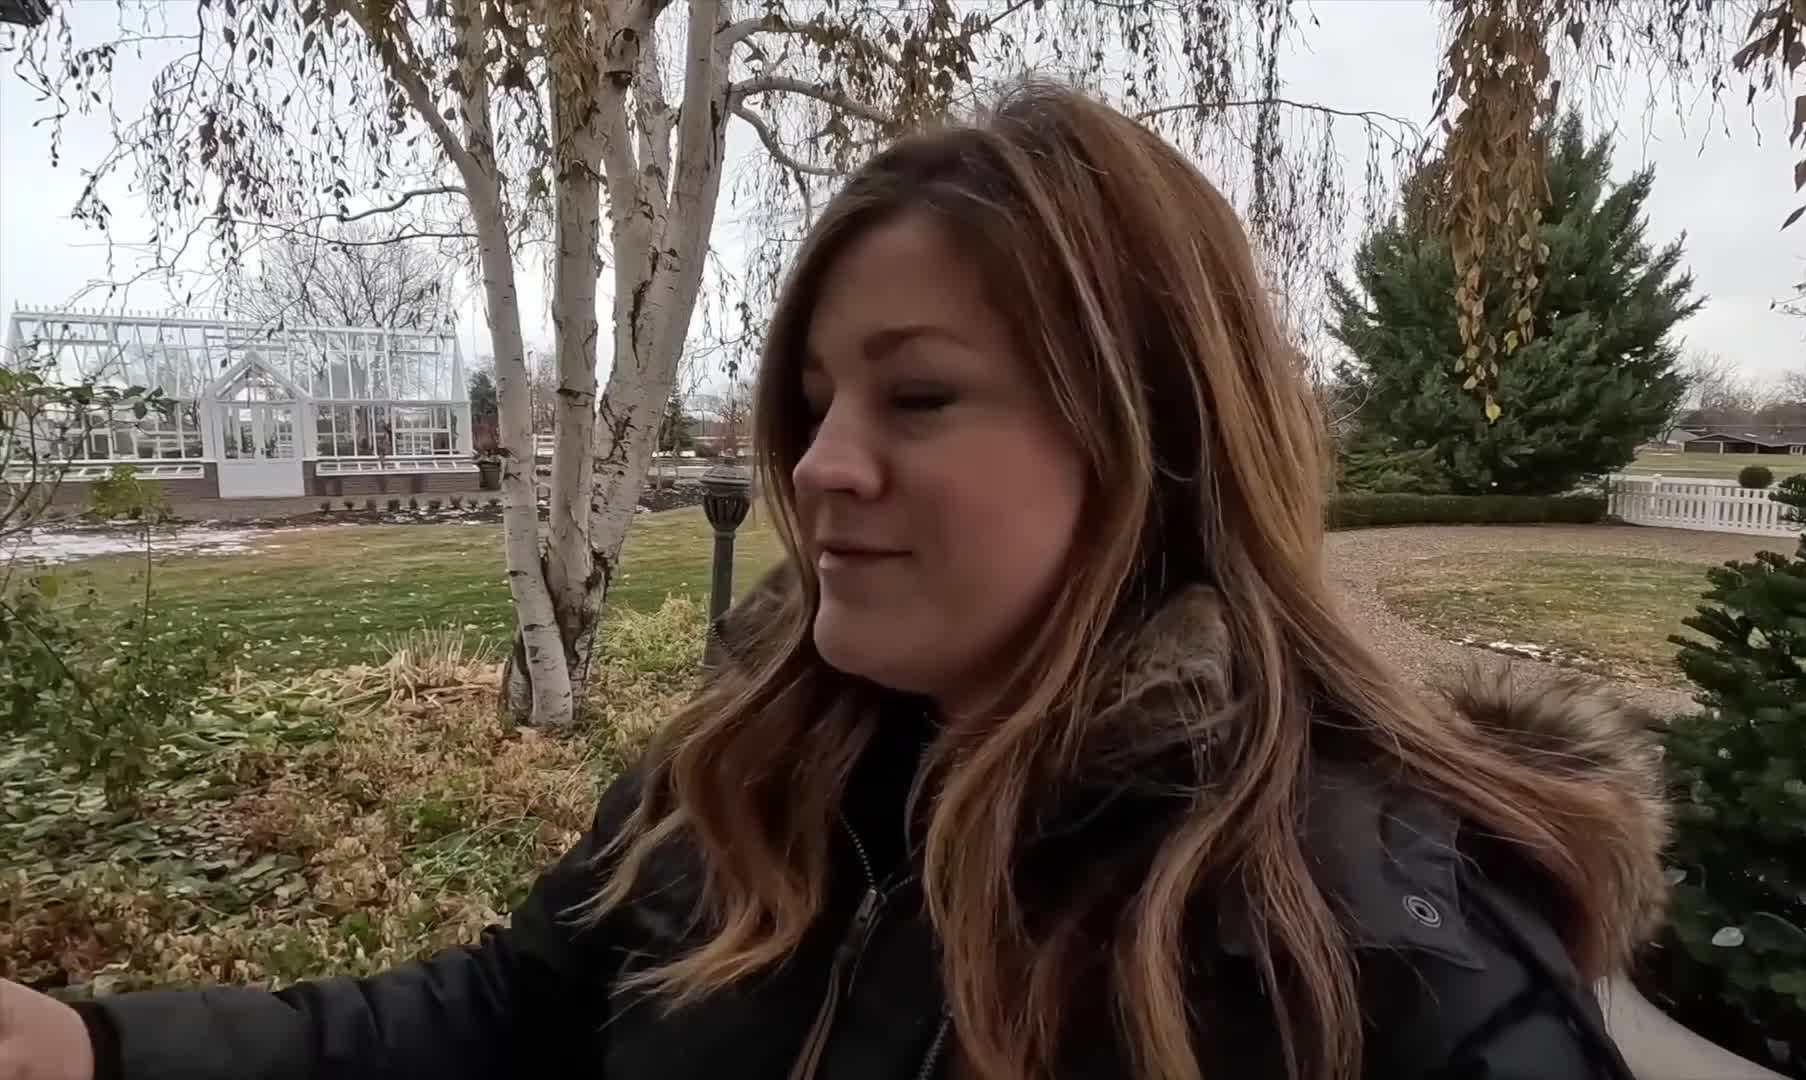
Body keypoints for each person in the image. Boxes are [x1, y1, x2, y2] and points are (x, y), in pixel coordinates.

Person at [0, 81, 1670, 1080]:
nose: (818, 467)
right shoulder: (747, 771)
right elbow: (516, 1021)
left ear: (1152, 433)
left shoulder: (1367, 941)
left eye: (917, 397)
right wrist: (100, 1049)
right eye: (811, 404)